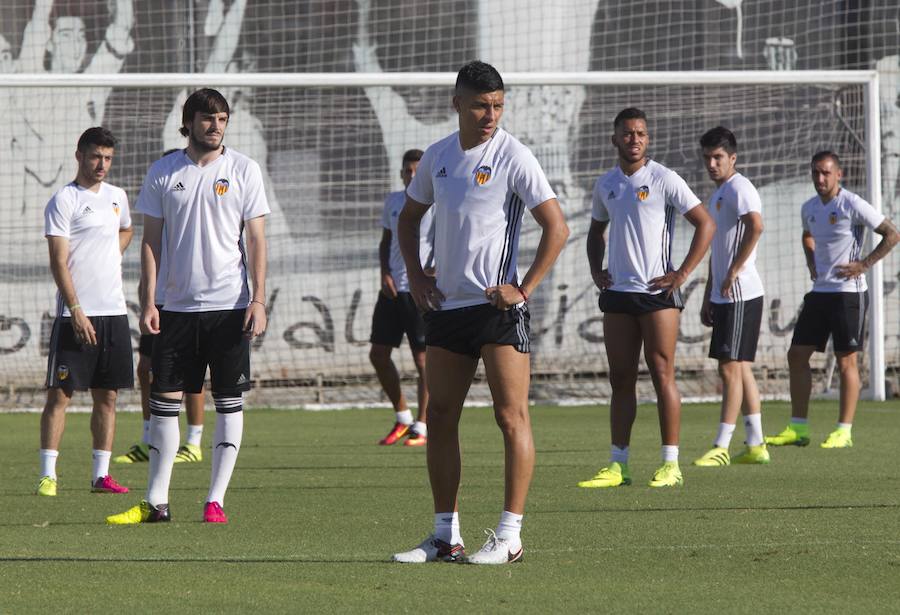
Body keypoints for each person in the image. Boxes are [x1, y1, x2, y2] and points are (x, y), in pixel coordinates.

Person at [391, 61, 569, 565]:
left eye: (497, 106)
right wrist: (418, 277)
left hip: (496, 311)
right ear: (457, 104)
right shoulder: (438, 156)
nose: (490, 115)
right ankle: (445, 536)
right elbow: (409, 219)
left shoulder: (514, 155)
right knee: (441, 416)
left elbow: (556, 227)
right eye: (480, 105)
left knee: (510, 416)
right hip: (447, 308)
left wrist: (525, 287)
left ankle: (510, 535)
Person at [107, 88, 269, 525]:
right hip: (174, 308)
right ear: (189, 121)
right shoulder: (163, 172)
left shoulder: (244, 170)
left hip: (231, 307)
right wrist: (149, 301)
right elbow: (150, 243)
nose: (216, 126)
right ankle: (156, 502)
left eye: (222, 118)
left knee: (229, 401)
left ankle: (215, 500)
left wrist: (258, 299)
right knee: (164, 400)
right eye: (207, 118)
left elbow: (255, 239)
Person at [578, 107, 714, 490]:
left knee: (661, 373)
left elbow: (706, 223)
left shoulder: (664, 179)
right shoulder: (605, 183)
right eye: (627, 133)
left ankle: (671, 463)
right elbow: (594, 232)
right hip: (619, 293)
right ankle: (618, 464)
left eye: (640, 133)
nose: (634, 139)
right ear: (615, 139)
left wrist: (682, 274)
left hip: (657, 293)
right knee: (620, 379)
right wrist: (596, 269)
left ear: (647, 139)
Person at [766, 151, 899, 449]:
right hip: (820, 294)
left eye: (826, 173)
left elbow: (892, 234)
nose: (820, 178)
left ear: (839, 175)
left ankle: (844, 430)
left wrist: (862, 264)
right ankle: (798, 427)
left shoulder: (851, 203)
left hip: (848, 295)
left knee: (846, 361)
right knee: (797, 355)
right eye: (816, 173)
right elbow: (807, 235)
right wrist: (811, 259)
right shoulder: (809, 208)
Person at [37, 126, 134, 497]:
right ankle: (48, 474)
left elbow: (126, 229)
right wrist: (76, 309)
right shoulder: (64, 200)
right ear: (80, 155)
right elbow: (58, 261)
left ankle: (101, 475)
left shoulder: (117, 197)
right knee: (61, 394)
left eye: (108, 158)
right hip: (74, 314)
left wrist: (111, 253)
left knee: (107, 397)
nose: (102, 165)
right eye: (96, 156)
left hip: (114, 313)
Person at [114, 150, 207, 466]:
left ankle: (193, 441)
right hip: (158, 303)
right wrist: (145, 300)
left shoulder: (193, 216)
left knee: (191, 373)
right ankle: (149, 437)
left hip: (184, 302)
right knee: (145, 370)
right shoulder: (156, 215)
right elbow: (148, 260)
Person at [693, 127, 769, 467]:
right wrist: (710, 291)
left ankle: (721, 444)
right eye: (708, 157)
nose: (712, 163)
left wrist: (736, 269)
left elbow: (756, 225)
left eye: (718, 157)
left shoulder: (740, 188)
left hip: (741, 293)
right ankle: (756, 444)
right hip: (725, 294)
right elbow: (716, 248)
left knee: (729, 368)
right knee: (741, 369)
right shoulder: (718, 194)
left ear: (732, 159)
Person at [371, 148, 434, 447]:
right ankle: (403, 417)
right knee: (378, 354)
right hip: (393, 290)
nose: (411, 176)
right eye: (407, 171)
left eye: (416, 171)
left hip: (420, 291)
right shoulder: (394, 201)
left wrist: (435, 271)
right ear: (400, 173)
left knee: (423, 361)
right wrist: (385, 272)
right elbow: (385, 241)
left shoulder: (436, 203)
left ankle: (422, 424)